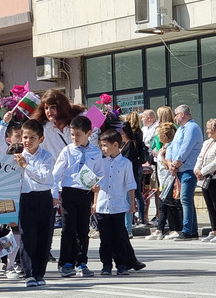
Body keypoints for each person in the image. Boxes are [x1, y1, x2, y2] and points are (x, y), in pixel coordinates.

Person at [52, 115, 103, 278]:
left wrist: (97, 184)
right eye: (72, 134)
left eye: (78, 134)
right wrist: (54, 193)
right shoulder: (67, 151)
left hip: (85, 192)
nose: (75, 138)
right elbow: (56, 173)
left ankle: (82, 262)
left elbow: (101, 172)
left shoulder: (96, 152)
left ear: (89, 133)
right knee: (68, 229)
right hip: (68, 192)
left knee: (83, 229)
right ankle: (66, 262)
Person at [93, 129, 144, 275]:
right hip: (103, 207)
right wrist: (95, 201)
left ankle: (121, 265)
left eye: (104, 145)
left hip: (118, 206)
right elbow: (94, 183)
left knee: (120, 238)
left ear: (115, 145)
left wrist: (132, 203)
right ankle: (106, 265)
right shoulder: (100, 162)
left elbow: (130, 184)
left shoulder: (125, 163)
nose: (102, 149)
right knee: (105, 239)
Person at [14, 119, 55, 287]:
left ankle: (40, 272)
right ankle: (28, 273)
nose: (28, 141)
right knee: (27, 236)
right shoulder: (16, 156)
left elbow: (44, 177)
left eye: (32, 137)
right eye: (25, 137)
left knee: (44, 237)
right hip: (25, 198)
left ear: (41, 139)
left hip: (44, 197)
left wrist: (26, 166)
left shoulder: (46, 156)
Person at [166, 104, 203, 241]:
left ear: (182, 114)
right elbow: (171, 147)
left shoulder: (192, 128)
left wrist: (177, 162)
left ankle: (188, 230)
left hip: (188, 168)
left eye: (176, 114)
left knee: (185, 199)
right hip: (180, 169)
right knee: (186, 200)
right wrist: (170, 162)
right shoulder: (181, 129)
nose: (175, 117)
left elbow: (185, 148)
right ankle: (192, 229)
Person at [149, 123, 181, 240]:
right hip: (162, 178)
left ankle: (171, 229)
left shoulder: (171, 147)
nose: (158, 137)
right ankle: (163, 229)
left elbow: (168, 164)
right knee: (165, 205)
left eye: (160, 134)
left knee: (168, 204)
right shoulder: (164, 146)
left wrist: (161, 156)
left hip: (169, 178)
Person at [32, 90, 85, 159]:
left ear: (62, 106)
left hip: (85, 166)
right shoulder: (43, 130)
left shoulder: (81, 117)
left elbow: (95, 137)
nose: (49, 111)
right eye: (46, 108)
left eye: (53, 107)